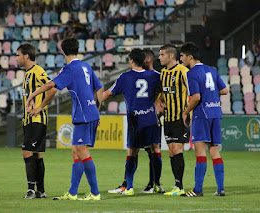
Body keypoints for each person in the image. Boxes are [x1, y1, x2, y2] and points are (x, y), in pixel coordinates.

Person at [26, 38, 104, 201]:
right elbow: (99, 88)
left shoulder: (70, 69)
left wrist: (32, 95)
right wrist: (97, 107)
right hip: (89, 113)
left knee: (82, 152)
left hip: (83, 115)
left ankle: (95, 193)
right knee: (76, 151)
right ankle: (73, 193)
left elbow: (50, 85)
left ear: (62, 51)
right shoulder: (86, 66)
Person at [102, 49, 163, 196]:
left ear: (130, 61)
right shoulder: (155, 76)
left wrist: (92, 104)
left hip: (135, 119)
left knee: (132, 152)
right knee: (156, 149)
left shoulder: (125, 77)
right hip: (151, 118)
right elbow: (166, 90)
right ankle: (157, 185)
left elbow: (108, 93)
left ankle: (129, 187)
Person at [180, 42, 228, 197]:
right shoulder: (212, 70)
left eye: (182, 56)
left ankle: (198, 189)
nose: (181, 60)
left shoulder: (191, 73)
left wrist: (186, 112)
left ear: (190, 57)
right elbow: (224, 90)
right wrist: (211, 95)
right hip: (215, 113)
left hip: (202, 115)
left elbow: (196, 97)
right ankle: (220, 189)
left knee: (199, 151)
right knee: (214, 150)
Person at [16, 43, 57, 199]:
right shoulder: (27, 73)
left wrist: (40, 107)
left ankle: (31, 190)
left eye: (18, 55)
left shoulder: (38, 71)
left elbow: (53, 88)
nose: (16, 58)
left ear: (26, 56)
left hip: (37, 119)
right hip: (29, 120)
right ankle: (41, 190)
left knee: (26, 152)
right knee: (36, 155)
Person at [158, 44, 189, 196]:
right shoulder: (163, 73)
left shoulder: (183, 72)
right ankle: (177, 185)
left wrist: (188, 112)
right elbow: (163, 93)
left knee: (176, 149)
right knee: (171, 151)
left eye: (162, 54)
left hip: (180, 117)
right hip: (168, 118)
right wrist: (160, 104)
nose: (159, 57)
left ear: (171, 56)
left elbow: (192, 92)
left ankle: (180, 186)